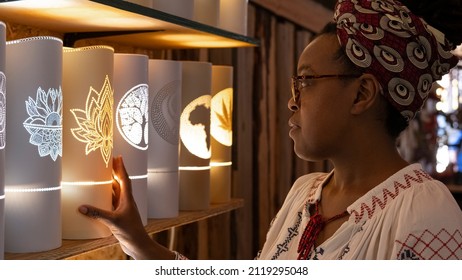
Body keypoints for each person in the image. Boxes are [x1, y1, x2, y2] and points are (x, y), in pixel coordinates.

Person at [79, 0, 462, 260]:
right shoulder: (306, 194)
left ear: (362, 93)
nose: (292, 101)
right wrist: (138, 242)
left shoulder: (424, 210)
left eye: (306, 82)